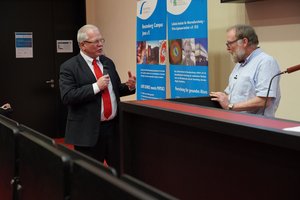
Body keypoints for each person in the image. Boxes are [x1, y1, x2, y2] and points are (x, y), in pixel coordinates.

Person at [59, 24, 136, 169]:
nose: (100, 44)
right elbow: (67, 96)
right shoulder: (69, 67)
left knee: (121, 171)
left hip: (113, 129)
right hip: (87, 133)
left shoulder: (108, 62)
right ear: (83, 45)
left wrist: (129, 86)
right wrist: (95, 87)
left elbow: (115, 89)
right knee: (90, 175)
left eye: (101, 40)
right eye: (96, 41)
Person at [210, 24, 281, 117]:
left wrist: (230, 106)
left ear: (244, 42)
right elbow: (232, 95)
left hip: (256, 127)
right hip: (236, 123)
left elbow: (264, 101)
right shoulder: (240, 64)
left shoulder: (266, 62)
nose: (227, 48)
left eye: (229, 43)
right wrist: (221, 98)